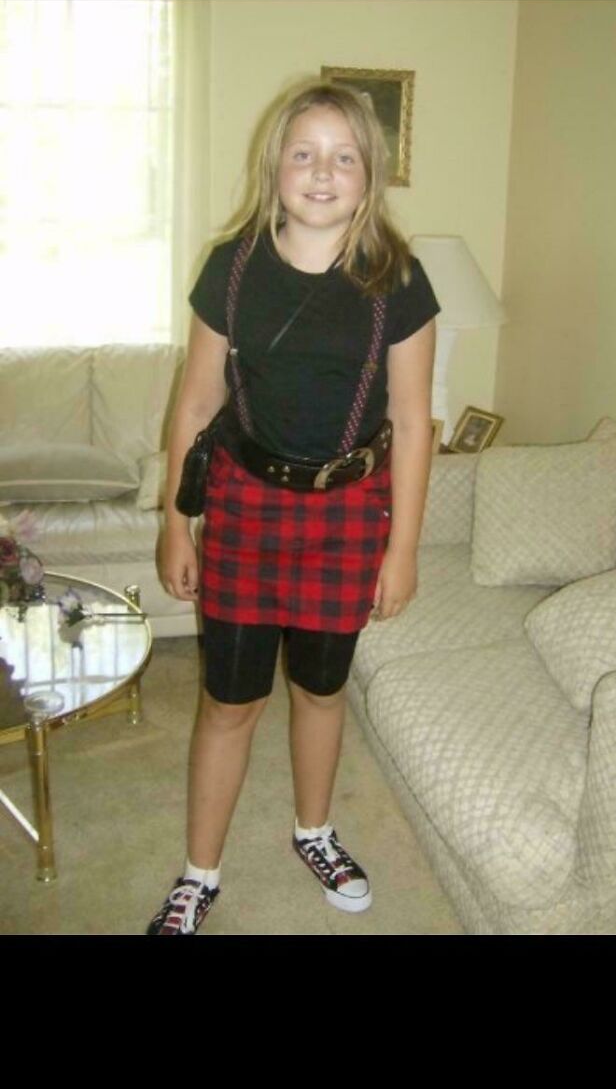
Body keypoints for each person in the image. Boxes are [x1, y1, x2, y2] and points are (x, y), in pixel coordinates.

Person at [147, 78, 439, 935]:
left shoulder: (400, 279)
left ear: (369, 173)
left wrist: (405, 548)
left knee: (320, 691)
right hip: (242, 506)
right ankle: (201, 873)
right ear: (274, 166)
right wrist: (175, 520)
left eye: (343, 156)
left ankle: (315, 830)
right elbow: (195, 401)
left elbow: (415, 422)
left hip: (349, 512)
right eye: (303, 153)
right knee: (228, 703)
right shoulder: (230, 268)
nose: (322, 172)